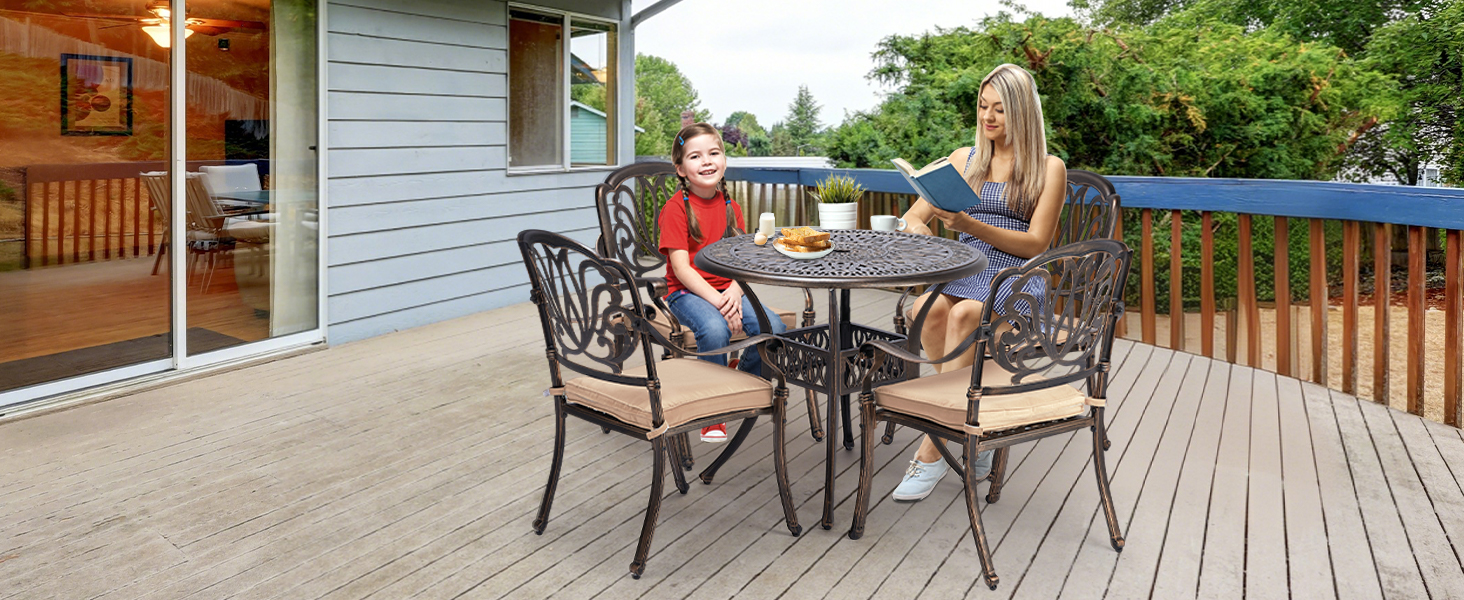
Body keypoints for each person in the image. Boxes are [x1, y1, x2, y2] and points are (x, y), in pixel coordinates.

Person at [889, 64, 1067, 501]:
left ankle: (932, 447)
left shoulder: (1049, 168)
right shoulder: (963, 160)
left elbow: (1036, 243)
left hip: (1016, 274)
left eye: (1000, 110)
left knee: (967, 315)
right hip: (967, 266)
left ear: (1022, 113)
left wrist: (969, 224)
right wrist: (922, 232)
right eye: (983, 106)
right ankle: (975, 426)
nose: (988, 117)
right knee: (923, 309)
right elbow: (911, 216)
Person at [657, 122, 788, 443]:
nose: (706, 161)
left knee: (774, 327)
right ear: (681, 169)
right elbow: (681, 269)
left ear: (724, 161)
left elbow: (741, 261)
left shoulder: (732, 208)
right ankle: (712, 409)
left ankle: (739, 379)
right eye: (695, 156)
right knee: (714, 329)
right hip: (686, 293)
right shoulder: (675, 209)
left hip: (728, 290)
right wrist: (719, 302)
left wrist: (733, 290)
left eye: (713, 153)